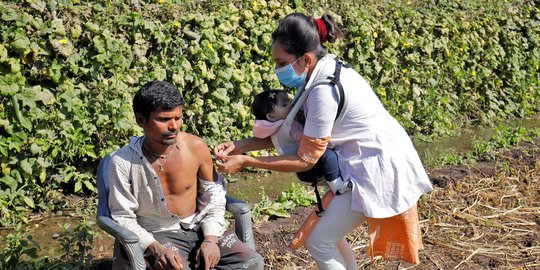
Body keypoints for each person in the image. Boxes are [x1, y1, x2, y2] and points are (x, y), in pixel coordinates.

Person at [214, 13, 433, 269]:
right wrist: (241, 146)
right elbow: (292, 131)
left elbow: (305, 158)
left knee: (319, 241)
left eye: (280, 62)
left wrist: (247, 161)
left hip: (377, 168)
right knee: (329, 237)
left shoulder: (323, 91)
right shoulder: (319, 71)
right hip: (364, 161)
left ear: (305, 59)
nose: (276, 70)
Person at [108, 80, 264, 270]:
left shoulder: (196, 147)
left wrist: (211, 239)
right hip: (158, 234)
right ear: (141, 120)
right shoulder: (123, 162)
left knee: (252, 262)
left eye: (178, 118)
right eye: (164, 119)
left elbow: (214, 195)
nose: (174, 126)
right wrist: (156, 249)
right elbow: (122, 217)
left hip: (200, 227)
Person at [251, 89, 352, 195]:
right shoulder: (289, 127)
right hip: (307, 168)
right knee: (328, 156)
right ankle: (337, 186)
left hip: (302, 169)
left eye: (289, 101)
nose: (290, 105)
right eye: (284, 104)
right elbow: (309, 138)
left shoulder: (277, 126)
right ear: (271, 116)